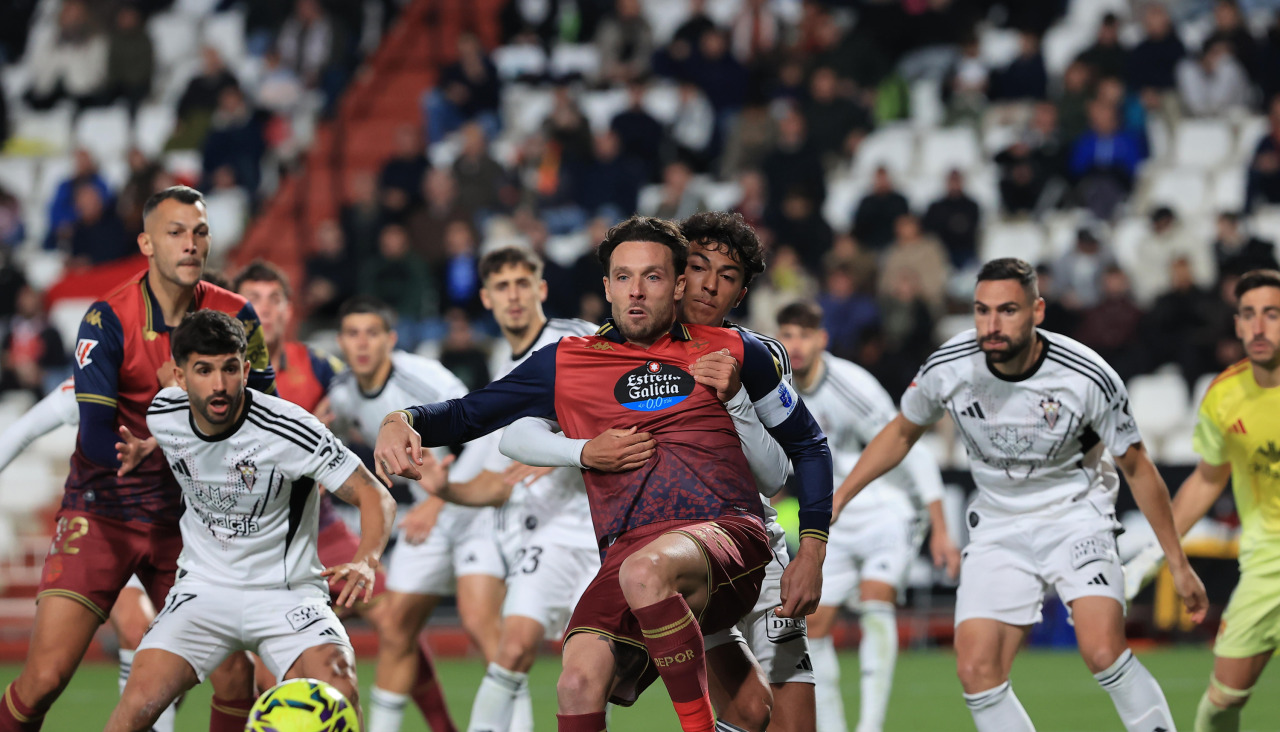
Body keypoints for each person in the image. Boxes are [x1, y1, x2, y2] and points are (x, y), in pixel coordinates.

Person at [375, 215, 834, 732]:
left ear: (676, 283)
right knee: (581, 683)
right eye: (624, 277)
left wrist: (812, 549)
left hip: (736, 538)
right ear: (609, 286)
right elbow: (478, 417)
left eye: (653, 276)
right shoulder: (572, 360)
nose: (706, 285)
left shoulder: (742, 353)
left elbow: (789, 460)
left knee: (791, 721)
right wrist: (402, 419)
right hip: (640, 553)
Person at [830, 258, 1208, 732]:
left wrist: (1177, 562)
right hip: (998, 523)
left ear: (1037, 311)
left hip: (1076, 516)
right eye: (982, 310)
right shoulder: (949, 366)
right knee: (976, 671)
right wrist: (840, 496)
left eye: (1007, 310)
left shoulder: (1086, 375)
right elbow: (903, 432)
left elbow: (1138, 468)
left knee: (1103, 650)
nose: (992, 325)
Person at [500, 212, 817, 732]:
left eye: (727, 276)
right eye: (697, 267)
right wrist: (581, 450)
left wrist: (736, 399)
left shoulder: (758, 355)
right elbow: (517, 431)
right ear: (676, 274)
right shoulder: (611, 347)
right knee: (728, 705)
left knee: (789, 723)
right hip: (671, 556)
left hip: (750, 542)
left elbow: (777, 472)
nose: (708, 285)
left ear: (741, 292)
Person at [0, 186, 277, 732]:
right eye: (175, 232)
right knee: (44, 680)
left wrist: (167, 440)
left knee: (235, 678)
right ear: (146, 243)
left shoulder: (239, 317)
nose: (190, 243)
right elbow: (96, 440)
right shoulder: (105, 319)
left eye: (200, 232)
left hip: (191, 525)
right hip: (104, 512)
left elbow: (267, 422)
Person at [104, 309, 396, 731]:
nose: (219, 385)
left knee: (339, 692)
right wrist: (146, 448)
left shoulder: (290, 429)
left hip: (286, 595)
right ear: (181, 377)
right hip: (203, 591)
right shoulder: (163, 415)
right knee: (135, 708)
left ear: (246, 369)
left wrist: (366, 559)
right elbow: (178, 429)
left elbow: (374, 494)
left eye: (229, 368)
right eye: (203, 370)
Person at [232, 262, 457, 732]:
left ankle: (443, 727)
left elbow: (352, 403)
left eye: (274, 299)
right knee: (256, 667)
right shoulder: (221, 371)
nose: (264, 310)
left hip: (318, 524)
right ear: (237, 309)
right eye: (253, 299)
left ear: (289, 309)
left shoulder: (322, 368)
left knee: (395, 620)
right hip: (249, 533)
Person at [422, 246, 600, 732]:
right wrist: (445, 490)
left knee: (600, 673)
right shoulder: (506, 370)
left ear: (541, 289)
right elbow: (497, 483)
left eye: (523, 284)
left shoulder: (574, 337)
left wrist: (562, 445)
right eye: (502, 287)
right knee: (511, 650)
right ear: (486, 298)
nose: (514, 296)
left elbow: (624, 391)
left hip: (601, 530)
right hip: (547, 535)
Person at [775, 301, 958, 732]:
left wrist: (940, 528)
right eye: (787, 335)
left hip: (883, 508)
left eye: (804, 335)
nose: (795, 345)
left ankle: (870, 726)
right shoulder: (776, 388)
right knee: (813, 625)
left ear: (822, 340)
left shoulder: (851, 385)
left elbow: (909, 447)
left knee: (877, 600)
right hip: (830, 519)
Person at [325, 296, 505, 732]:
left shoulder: (422, 380)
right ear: (341, 342)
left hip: (474, 504)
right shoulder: (342, 393)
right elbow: (334, 435)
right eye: (352, 334)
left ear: (390, 339)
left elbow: (484, 432)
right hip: (427, 512)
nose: (362, 343)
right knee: (397, 626)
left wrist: (439, 501)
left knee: (480, 625)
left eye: (372, 333)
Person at [1124, 269, 1280, 732]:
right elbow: (1207, 481)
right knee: (1220, 705)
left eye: (1272, 314)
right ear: (1236, 325)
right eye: (1248, 315)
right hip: (1266, 566)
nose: (1259, 326)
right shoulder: (1223, 396)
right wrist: (1154, 555)